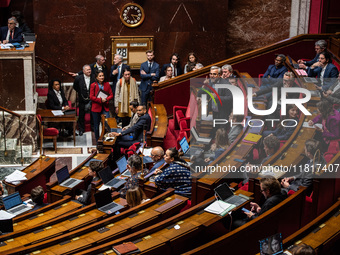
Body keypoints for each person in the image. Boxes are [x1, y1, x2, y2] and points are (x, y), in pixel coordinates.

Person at [90, 71, 113, 141]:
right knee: (96, 126)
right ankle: (98, 140)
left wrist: (106, 99)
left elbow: (111, 95)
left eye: (102, 75)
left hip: (105, 107)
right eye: (100, 76)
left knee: (106, 125)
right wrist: (100, 100)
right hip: (96, 108)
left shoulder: (107, 84)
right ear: (96, 77)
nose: (102, 77)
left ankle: (106, 139)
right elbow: (91, 97)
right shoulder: (93, 85)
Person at [73, 64, 95, 136]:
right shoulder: (78, 78)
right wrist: (81, 92)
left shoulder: (94, 77)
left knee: (92, 114)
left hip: (92, 99)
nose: (89, 71)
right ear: (83, 71)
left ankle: (92, 127)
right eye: (87, 70)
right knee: (81, 115)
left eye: (90, 69)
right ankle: (81, 129)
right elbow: (75, 87)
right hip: (82, 99)